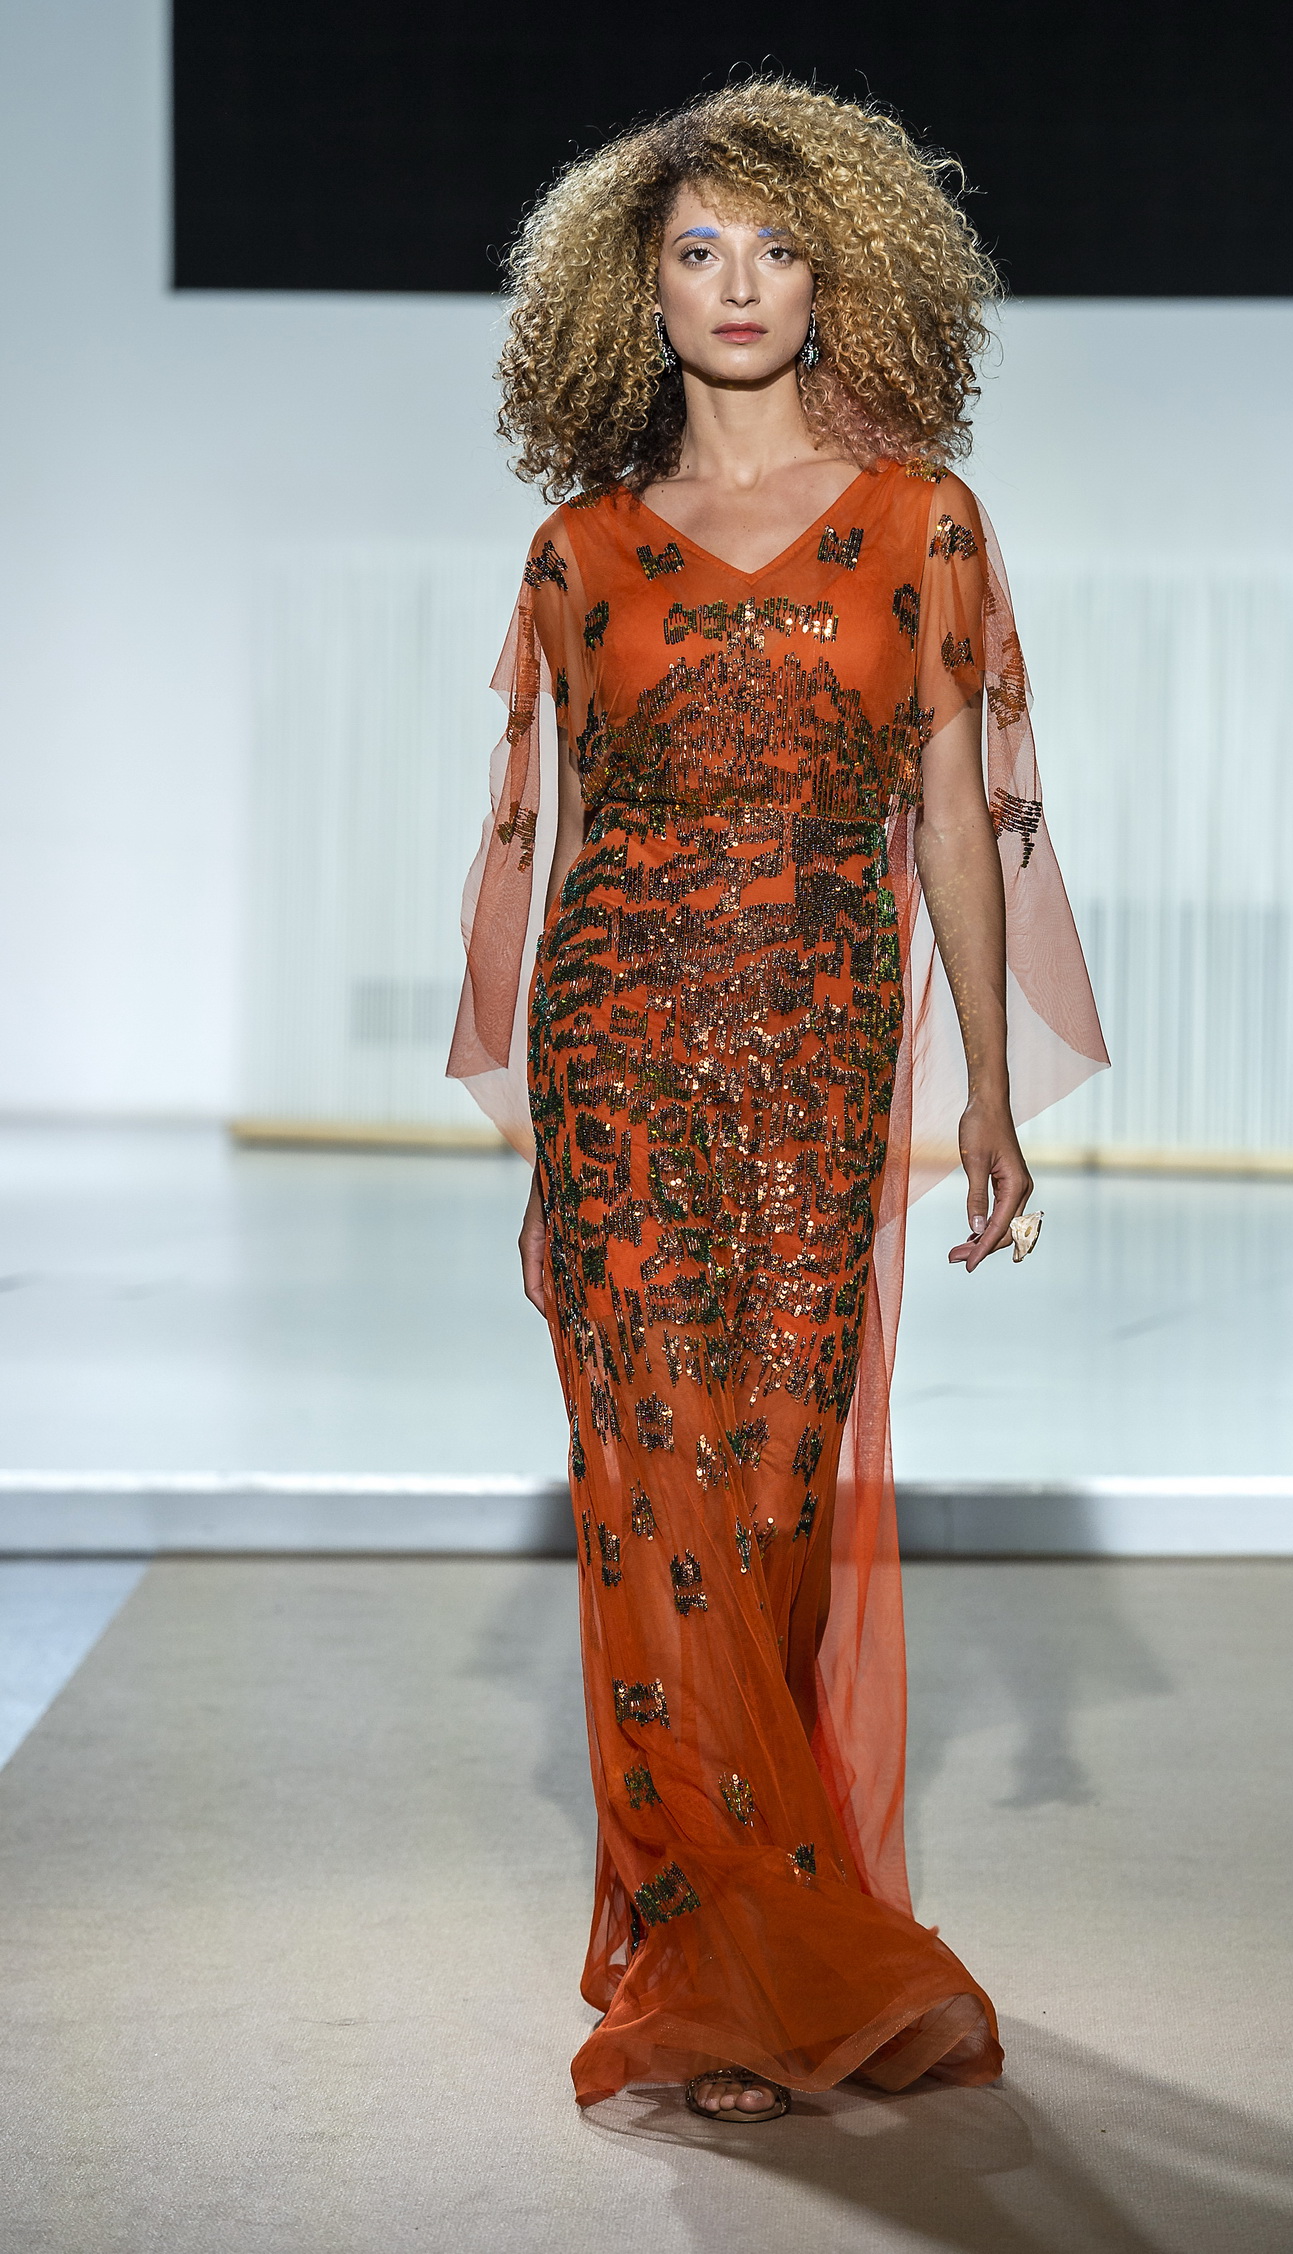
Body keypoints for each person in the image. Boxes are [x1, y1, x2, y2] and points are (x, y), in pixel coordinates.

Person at [449, 79, 1107, 2119]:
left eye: (777, 246)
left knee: (768, 1496)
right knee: (651, 1503)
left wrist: (985, 1085)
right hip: (620, 1064)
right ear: (635, 292)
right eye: (696, 250)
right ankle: (719, 1967)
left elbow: (953, 813)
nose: (738, 284)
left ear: (842, 278)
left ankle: (764, 1924)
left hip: (821, 1067)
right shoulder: (577, 553)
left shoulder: (923, 524)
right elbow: (564, 848)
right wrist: (551, 1146)